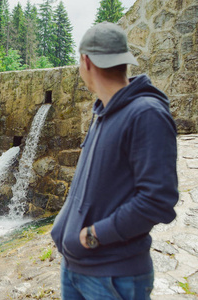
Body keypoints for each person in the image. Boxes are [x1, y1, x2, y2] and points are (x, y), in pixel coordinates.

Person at [50, 22, 178, 300]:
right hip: (76, 269)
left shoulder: (146, 114)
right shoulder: (104, 112)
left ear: (86, 61)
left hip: (113, 278)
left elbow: (158, 199)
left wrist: (93, 235)